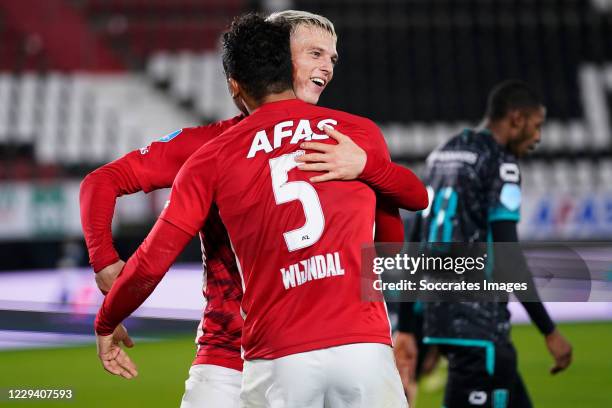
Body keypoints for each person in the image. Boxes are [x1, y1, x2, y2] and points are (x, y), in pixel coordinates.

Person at [85, 12, 427, 408]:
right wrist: (104, 260)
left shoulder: (342, 143)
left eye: (332, 59)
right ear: (281, 59)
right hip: (233, 357)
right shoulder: (343, 136)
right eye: (314, 53)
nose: (325, 68)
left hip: (284, 353)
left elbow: (394, 237)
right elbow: (101, 181)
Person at [394, 80, 573, 407]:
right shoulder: (500, 163)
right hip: (479, 330)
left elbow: (415, 246)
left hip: (442, 323)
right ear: (516, 118)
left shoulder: (441, 155)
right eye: (536, 126)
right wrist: (549, 331)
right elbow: (508, 258)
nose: (538, 137)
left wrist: (407, 327)